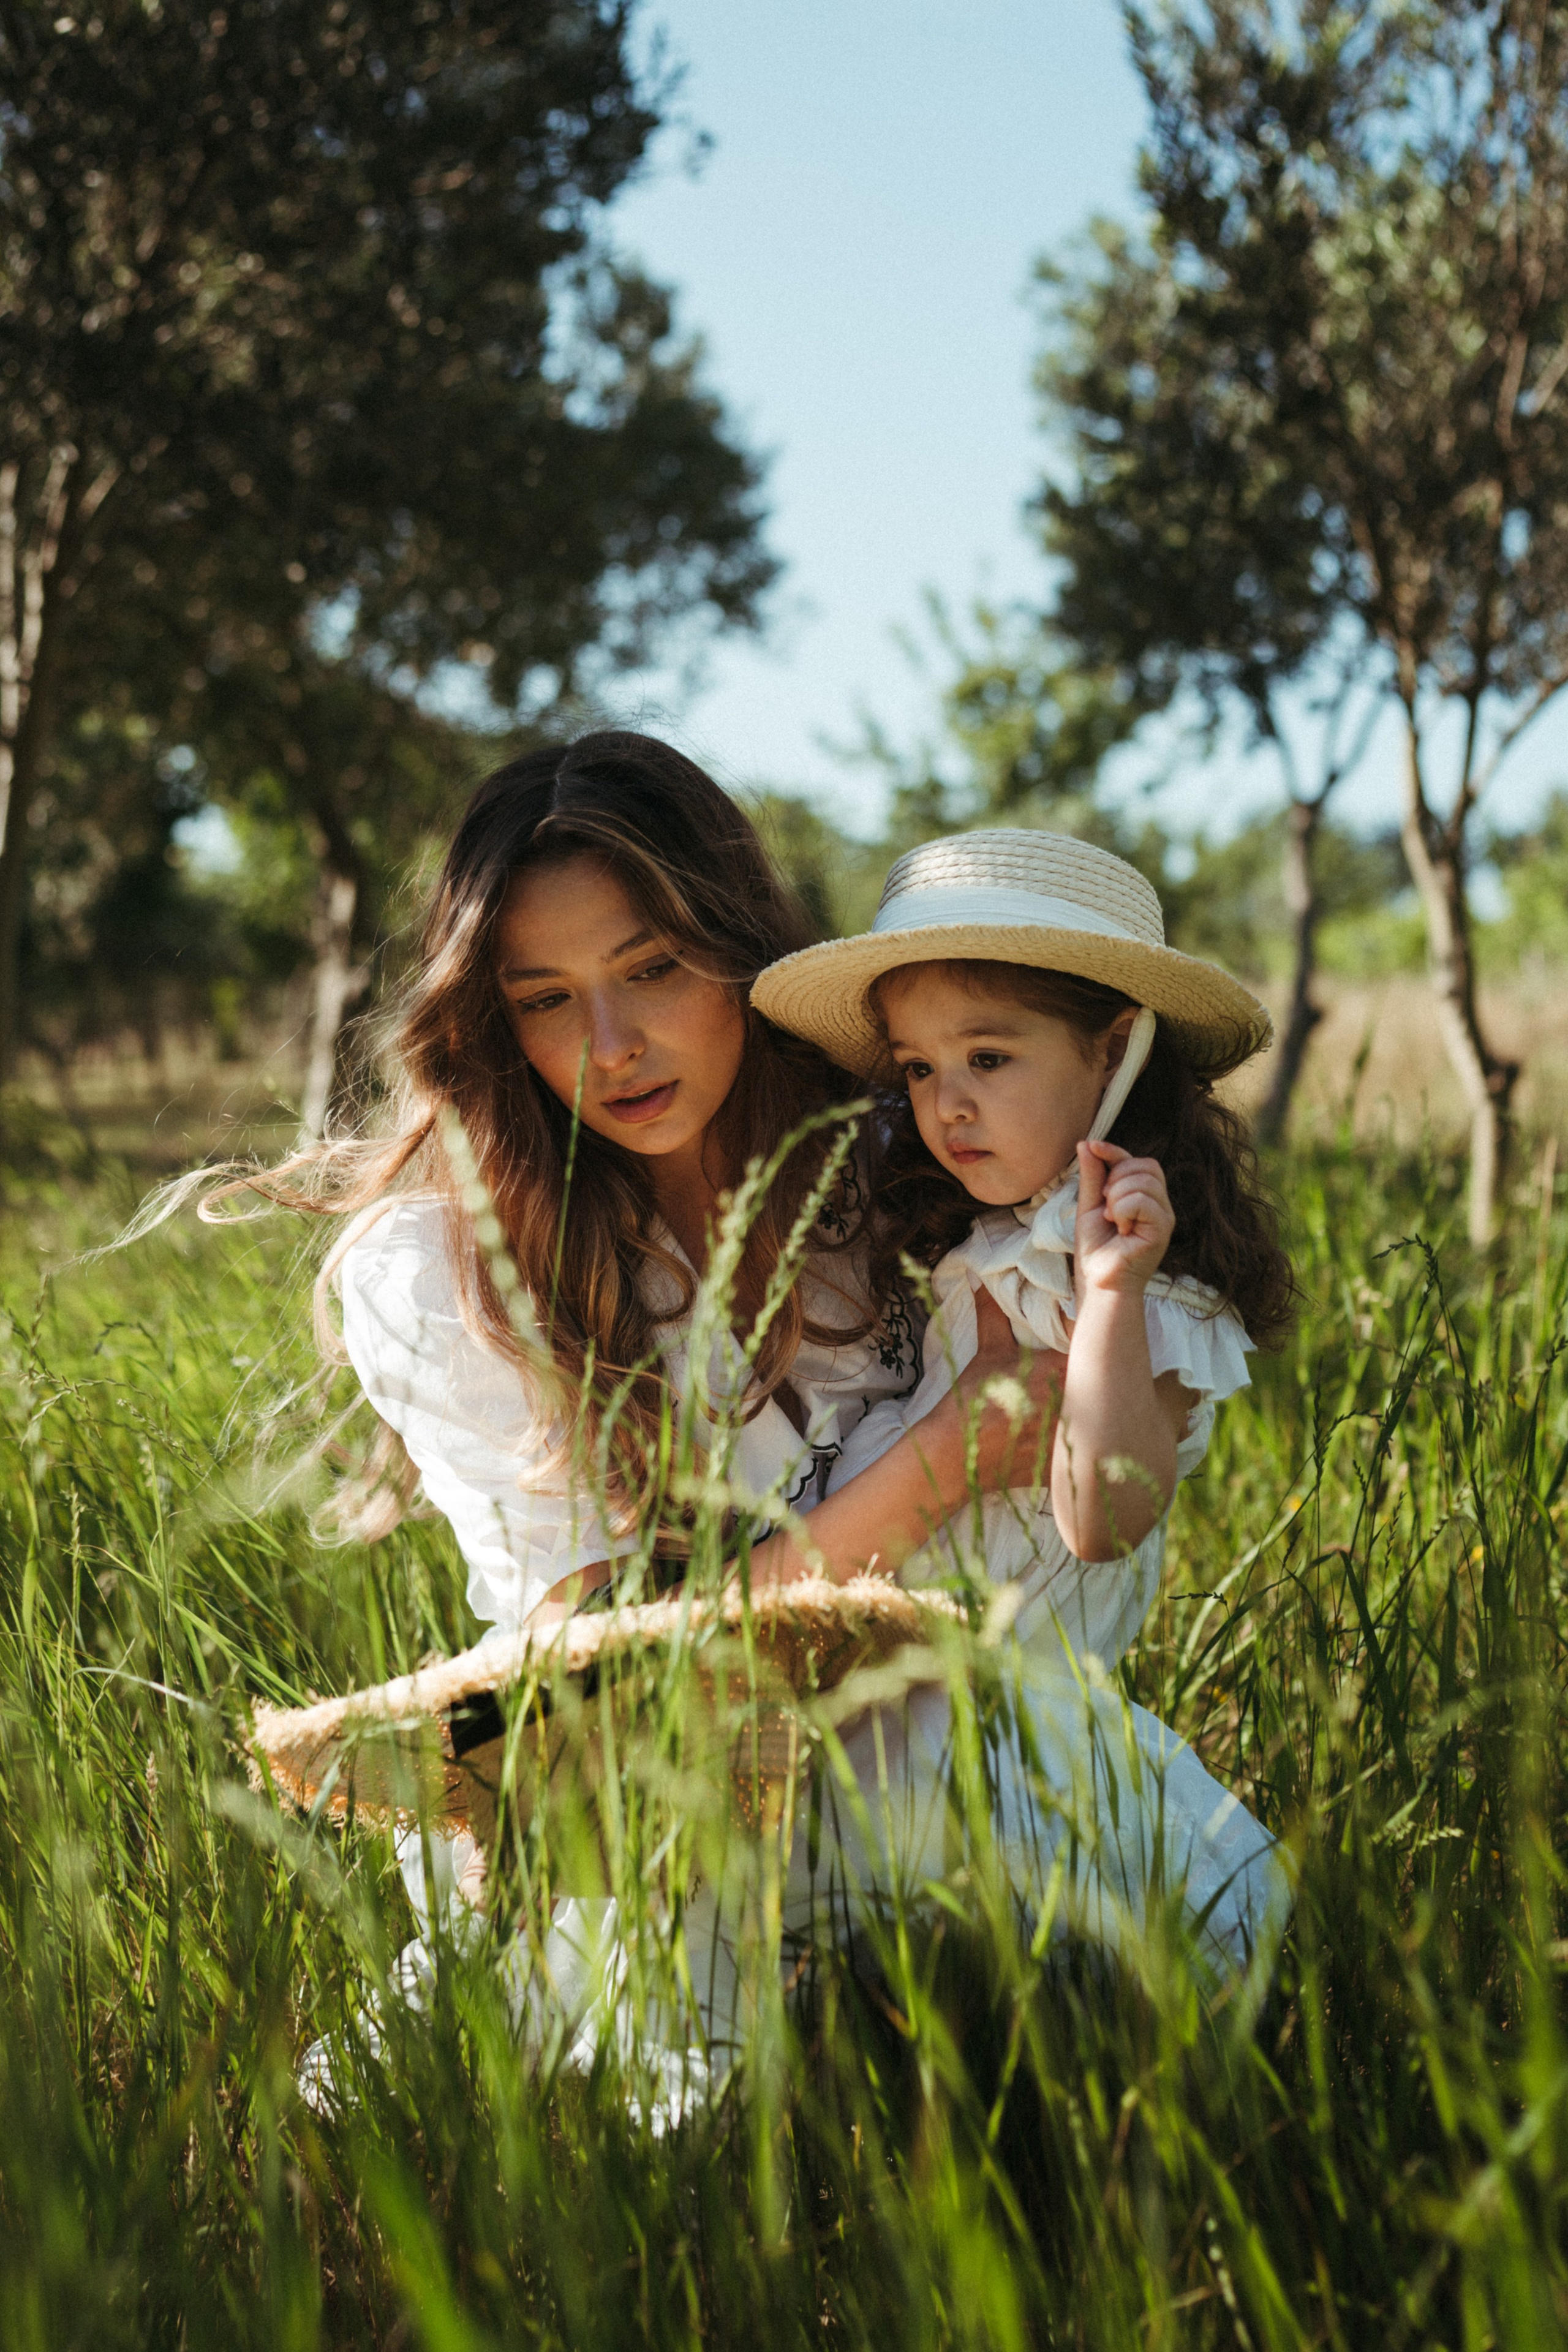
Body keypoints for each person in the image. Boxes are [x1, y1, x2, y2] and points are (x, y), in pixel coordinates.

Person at [750, 826, 1296, 1973]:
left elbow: (1101, 1519)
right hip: (867, 1710)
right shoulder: (954, 1247)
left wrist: (1107, 1297)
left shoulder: (1153, 1296)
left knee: (1019, 1982)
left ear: (1115, 1051)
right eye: (916, 1068)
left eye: (989, 1060)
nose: (947, 1105)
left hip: (1010, 1727)